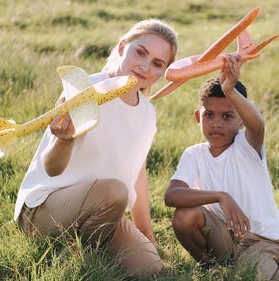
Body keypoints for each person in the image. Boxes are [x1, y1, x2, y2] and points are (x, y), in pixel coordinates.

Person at [14, 19, 178, 278]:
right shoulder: (85, 90)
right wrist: (64, 140)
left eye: (158, 63)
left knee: (149, 268)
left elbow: (138, 174)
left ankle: (81, 249)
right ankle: (77, 260)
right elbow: (52, 168)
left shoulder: (147, 114)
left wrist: (147, 235)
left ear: (164, 71)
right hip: (45, 208)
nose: (145, 66)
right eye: (141, 52)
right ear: (123, 47)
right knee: (113, 190)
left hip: (101, 212)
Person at [164, 53, 279, 280]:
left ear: (241, 121)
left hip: (262, 241)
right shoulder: (195, 154)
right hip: (224, 237)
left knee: (255, 278)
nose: (217, 123)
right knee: (185, 216)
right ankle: (210, 267)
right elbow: (171, 196)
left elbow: (257, 126)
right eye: (209, 115)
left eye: (227, 116)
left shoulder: (246, 146)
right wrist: (221, 196)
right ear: (198, 118)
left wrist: (230, 89)